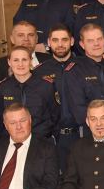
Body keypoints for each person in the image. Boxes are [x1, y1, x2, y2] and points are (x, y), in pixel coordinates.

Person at [63, 24, 104, 139]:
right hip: (91, 135)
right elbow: (79, 110)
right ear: (82, 44)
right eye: (90, 41)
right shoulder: (74, 71)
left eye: (99, 39)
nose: (96, 44)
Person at [33, 25, 78, 168]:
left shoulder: (83, 66)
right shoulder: (39, 72)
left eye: (64, 40)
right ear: (49, 42)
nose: (60, 44)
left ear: (72, 41)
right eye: (55, 40)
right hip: (52, 137)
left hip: (82, 134)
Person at [0, 45, 59, 140]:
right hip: (12, 141)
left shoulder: (46, 85)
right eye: (16, 60)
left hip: (40, 140)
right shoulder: (2, 87)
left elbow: (55, 115)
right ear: (9, 62)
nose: (20, 64)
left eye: (24, 60)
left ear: (31, 61)